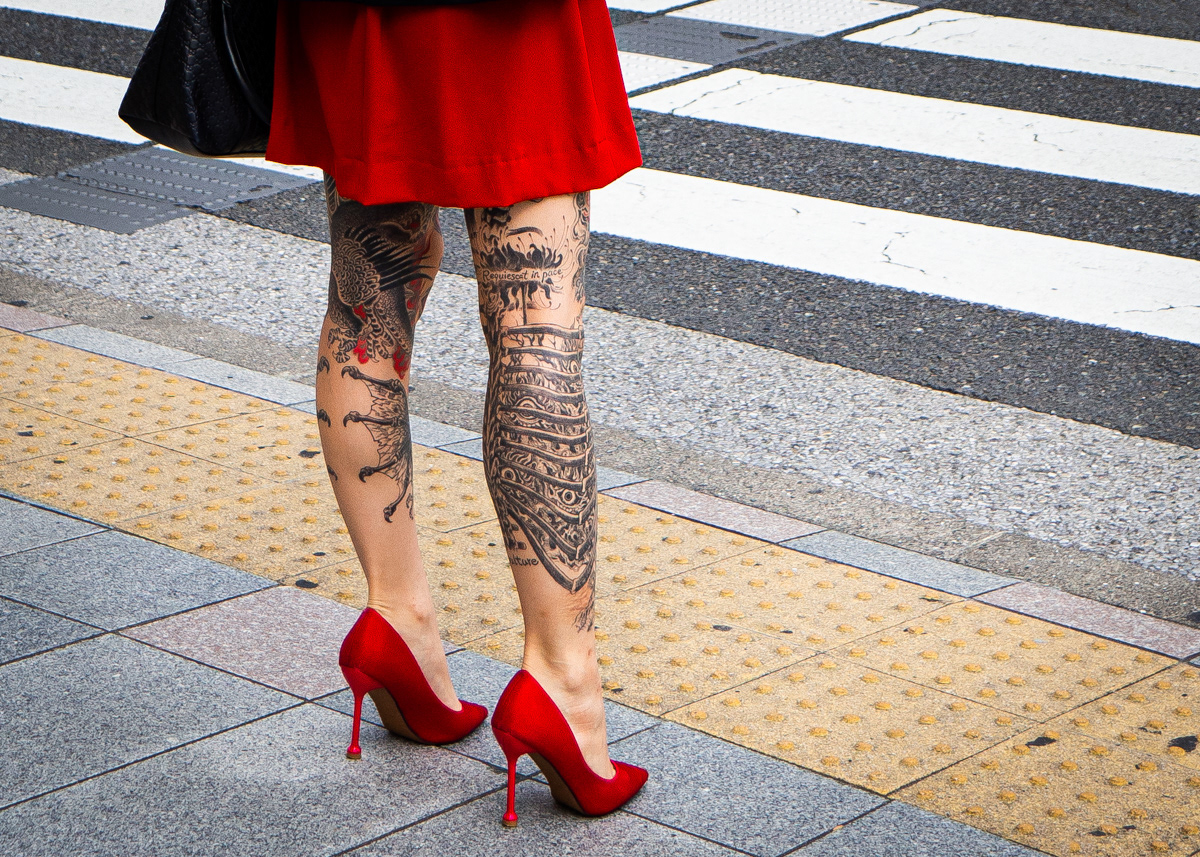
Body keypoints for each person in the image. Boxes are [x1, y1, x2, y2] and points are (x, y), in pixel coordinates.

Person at [266, 0, 648, 825]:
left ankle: (395, 617)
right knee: (534, 318)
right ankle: (564, 681)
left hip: (360, 15)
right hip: (504, 20)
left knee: (368, 296)